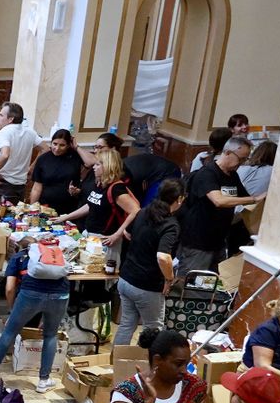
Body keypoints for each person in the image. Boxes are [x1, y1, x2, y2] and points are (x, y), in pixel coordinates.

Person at [0, 231, 71, 391]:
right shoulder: (54, 255)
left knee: (10, 331)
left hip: (30, 294)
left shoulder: (18, 258)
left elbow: (10, 288)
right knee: (50, 335)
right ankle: (43, 381)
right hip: (60, 295)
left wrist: (12, 310)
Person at [176, 137, 260, 273]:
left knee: (211, 282)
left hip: (218, 241)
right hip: (198, 242)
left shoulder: (232, 175)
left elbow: (244, 198)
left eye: (245, 160)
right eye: (241, 159)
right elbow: (218, 200)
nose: (242, 163)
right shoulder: (207, 173)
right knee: (191, 282)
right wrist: (254, 199)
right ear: (227, 153)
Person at [114, 179, 181, 344]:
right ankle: (149, 366)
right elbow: (163, 256)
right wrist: (169, 278)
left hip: (126, 278)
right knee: (153, 328)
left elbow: (128, 234)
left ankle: (117, 364)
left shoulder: (143, 212)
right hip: (146, 286)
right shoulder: (170, 224)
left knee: (127, 324)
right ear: (179, 199)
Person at [62, 147, 139, 248]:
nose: (94, 167)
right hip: (90, 234)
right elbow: (90, 205)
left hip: (104, 239)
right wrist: (65, 217)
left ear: (108, 166)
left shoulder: (116, 188)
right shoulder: (100, 183)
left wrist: (117, 235)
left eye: (98, 164)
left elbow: (135, 210)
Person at [0, 102, 42, 204]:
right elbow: (45, 149)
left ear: (10, 119)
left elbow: (5, 155)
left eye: (1, 115)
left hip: (2, 184)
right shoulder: (30, 132)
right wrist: (32, 167)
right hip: (20, 187)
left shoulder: (4, 132)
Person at [28, 129, 86, 213]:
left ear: (68, 145)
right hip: (46, 207)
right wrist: (32, 209)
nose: (57, 148)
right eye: (54, 144)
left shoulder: (76, 157)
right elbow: (37, 188)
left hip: (69, 207)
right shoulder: (43, 159)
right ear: (51, 142)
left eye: (62, 145)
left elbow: (91, 163)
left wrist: (77, 146)